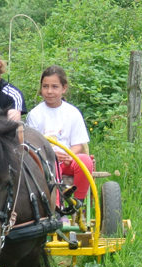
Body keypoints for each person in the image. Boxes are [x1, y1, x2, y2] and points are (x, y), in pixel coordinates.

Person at [25, 65, 94, 203]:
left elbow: (78, 144)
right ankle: (56, 207)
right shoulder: (35, 114)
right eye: (45, 86)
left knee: (85, 161)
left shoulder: (72, 113)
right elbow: (31, 144)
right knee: (52, 163)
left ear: (64, 88)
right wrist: (53, 156)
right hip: (45, 160)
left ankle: (78, 202)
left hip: (68, 158)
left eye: (54, 87)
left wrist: (69, 155)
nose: (49, 91)